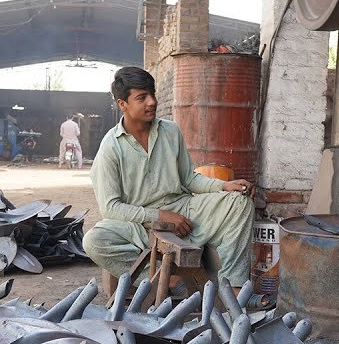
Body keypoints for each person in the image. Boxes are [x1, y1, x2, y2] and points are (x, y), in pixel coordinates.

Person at [82, 66, 265, 305]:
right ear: (122, 104)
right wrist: (160, 216)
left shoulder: (170, 131)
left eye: (152, 94)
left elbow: (189, 179)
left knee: (239, 203)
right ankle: (167, 280)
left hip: (184, 212)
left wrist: (223, 187)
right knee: (94, 241)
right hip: (139, 225)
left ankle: (233, 288)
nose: (152, 102)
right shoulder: (111, 147)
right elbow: (111, 208)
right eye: (142, 97)